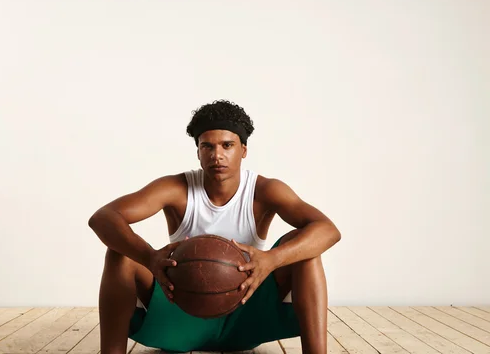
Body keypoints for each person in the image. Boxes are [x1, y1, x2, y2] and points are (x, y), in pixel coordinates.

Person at [88, 100, 341, 354]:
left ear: (243, 150)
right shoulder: (176, 189)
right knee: (119, 253)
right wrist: (150, 257)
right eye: (207, 146)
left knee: (306, 247)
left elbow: (328, 230)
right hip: (180, 316)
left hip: (246, 318)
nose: (216, 155)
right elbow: (103, 217)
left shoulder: (264, 191)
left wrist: (271, 259)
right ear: (198, 152)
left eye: (227, 145)